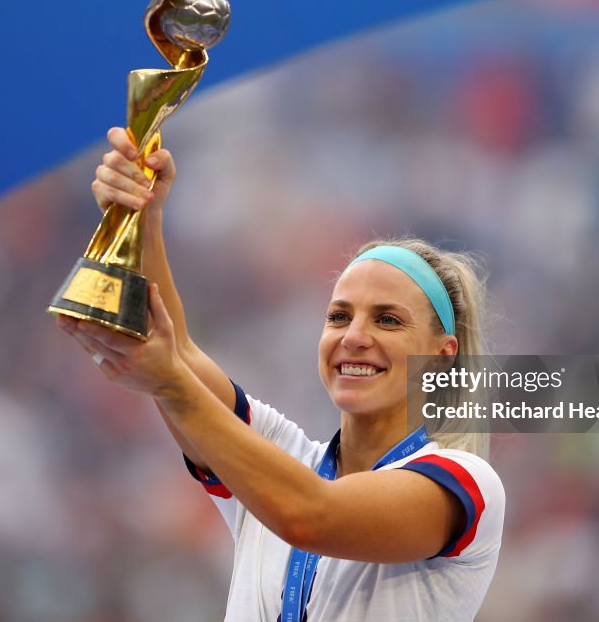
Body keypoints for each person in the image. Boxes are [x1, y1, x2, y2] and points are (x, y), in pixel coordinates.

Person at [56, 128, 505, 621]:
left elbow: (311, 516)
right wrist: (139, 215)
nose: (353, 336)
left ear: (442, 355)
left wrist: (168, 381)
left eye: (388, 319)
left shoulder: (466, 481)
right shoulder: (280, 458)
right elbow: (177, 353)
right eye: (339, 316)